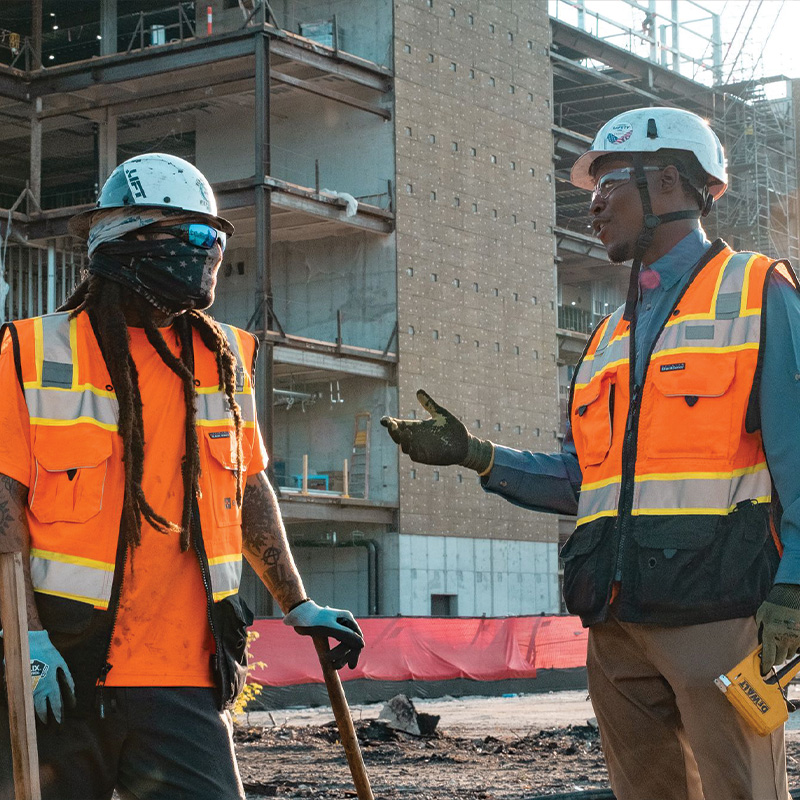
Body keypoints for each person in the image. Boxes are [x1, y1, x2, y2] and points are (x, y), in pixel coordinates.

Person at [381, 107, 800, 800]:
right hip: (615, 627)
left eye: (610, 184)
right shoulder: (608, 335)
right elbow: (590, 481)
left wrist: (794, 589)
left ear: (669, 182)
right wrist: (480, 456)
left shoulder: (757, 293)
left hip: (719, 618)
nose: (594, 206)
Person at [0, 152, 364, 800]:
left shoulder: (225, 363)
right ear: (126, 239)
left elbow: (247, 487)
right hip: (62, 672)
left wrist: (298, 601)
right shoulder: (31, 353)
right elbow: (2, 507)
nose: (204, 254)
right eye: (188, 236)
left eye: (212, 239)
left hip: (181, 680)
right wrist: (26, 638)